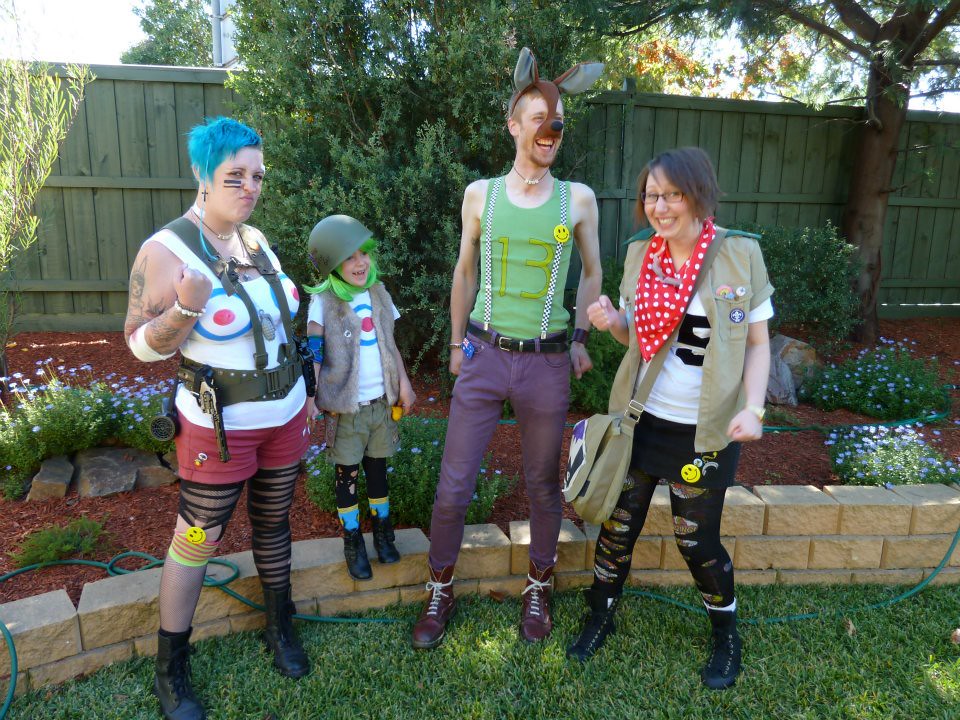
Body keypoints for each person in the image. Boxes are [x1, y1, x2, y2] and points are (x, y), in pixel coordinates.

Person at [411, 47, 604, 649]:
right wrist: (454, 342)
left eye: (558, 119)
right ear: (514, 124)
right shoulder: (481, 195)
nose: (551, 128)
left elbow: (593, 272)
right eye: (539, 117)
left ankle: (538, 587)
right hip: (483, 354)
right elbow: (464, 271)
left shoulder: (578, 198)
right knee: (454, 484)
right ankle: (439, 588)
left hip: (547, 361)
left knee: (543, 483)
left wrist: (580, 336)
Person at [124, 117, 315, 720]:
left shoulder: (254, 241)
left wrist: (307, 392)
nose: (250, 187)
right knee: (197, 539)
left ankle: (280, 627)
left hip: (284, 415)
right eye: (235, 176)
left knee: (274, 522)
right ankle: (171, 668)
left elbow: (280, 328)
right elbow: (139, 345)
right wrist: (185, 307)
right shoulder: (166, 249)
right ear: (202, 175)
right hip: (218, 428)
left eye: (257, 176)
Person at [566, 147, 773, 690]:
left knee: (696, 541)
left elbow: (757, 344)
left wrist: (753, 408)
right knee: (617, 528)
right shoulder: (641, 253)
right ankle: (600, 616)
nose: (659, 207)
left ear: (698, 195)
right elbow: (635, 338)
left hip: (705, 432)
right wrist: (612, 320)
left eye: (672, 195)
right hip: (640, 421)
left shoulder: (740, 254)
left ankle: (726, 635)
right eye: (651, 196)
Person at [304, 214, 416, 580]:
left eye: (363, 253)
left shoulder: (378, 293)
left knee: (378, 471)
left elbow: (390, 345)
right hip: (345, 411)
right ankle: (352, 540)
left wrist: (404, 383)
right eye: (349, 257)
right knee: (347, 475)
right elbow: (315, 353)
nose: (360, 262)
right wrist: (310, 396)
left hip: (380, 405)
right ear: (331, 264)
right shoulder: (323, 302)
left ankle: (382, 533)